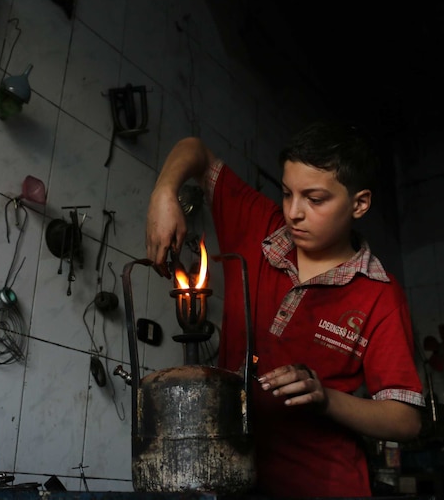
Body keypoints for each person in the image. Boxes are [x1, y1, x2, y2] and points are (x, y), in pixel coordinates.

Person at [145, 120, 424, 498]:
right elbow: (195, 150)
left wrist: (323, 397)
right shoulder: (258, 225)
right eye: (287, 193)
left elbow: (405, 420)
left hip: (324, 486)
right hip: (231, 478)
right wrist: (164, 193)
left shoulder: (380, 295)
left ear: (359, 204)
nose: (294, 212)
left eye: (315, 199)